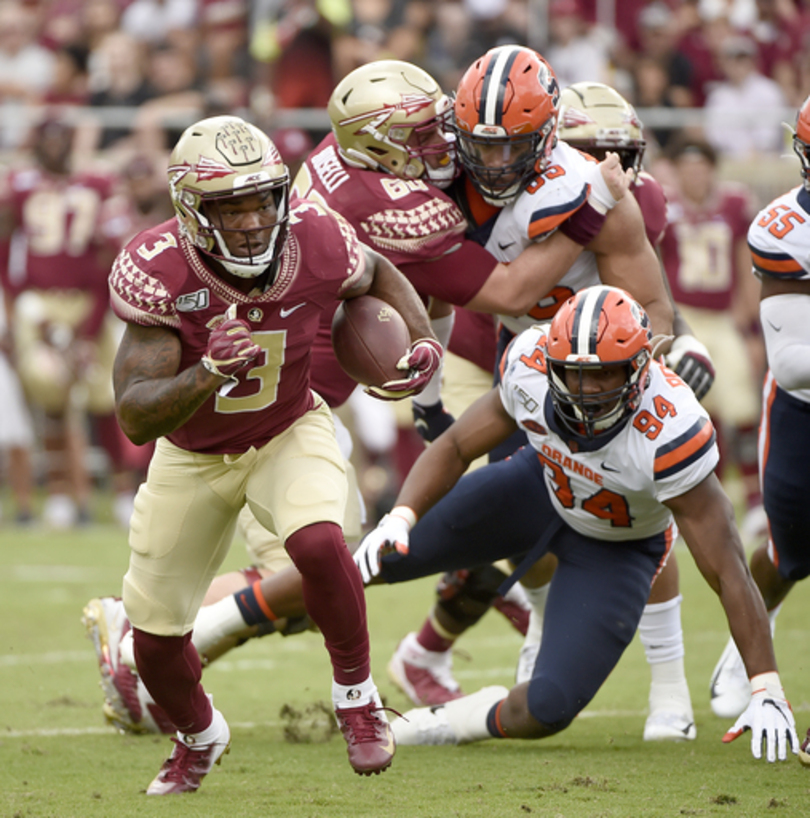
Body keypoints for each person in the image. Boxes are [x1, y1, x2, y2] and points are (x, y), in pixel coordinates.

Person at [83, 57, 632, 735]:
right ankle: (143, 643)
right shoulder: (387, 201)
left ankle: (165, 653)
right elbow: (507, 293)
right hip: (277, 402)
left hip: (293, 392)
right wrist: (592, 209)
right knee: (315, 575)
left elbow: (408, 286)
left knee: (322, 576)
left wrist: (425, 382)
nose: (441, 144)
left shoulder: (337, 159)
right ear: (381, 143)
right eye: (421, 133)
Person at [98, 113, 444, 793]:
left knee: (319, 543)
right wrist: (206, 374)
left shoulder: (314, 237)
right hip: (193, 455)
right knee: (155, 641)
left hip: (288, 428)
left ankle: (358, 700)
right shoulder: (160, 268)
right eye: (232, 205)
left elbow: (375, 272)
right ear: (195, 211)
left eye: (262, 199)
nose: (254, 220)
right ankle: (199, 736)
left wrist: (422, 338)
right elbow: (136, 416)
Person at [353, 284, 798, 765]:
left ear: (640, 367)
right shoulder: (531, 362)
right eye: (575, 374)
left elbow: (729, 570)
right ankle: (258, 609)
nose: (587, 391)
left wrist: (766, 686)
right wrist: (399, 516)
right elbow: (458, 446)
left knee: (547, 706)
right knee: (368, 557)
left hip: (616, 544)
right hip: (536, 488)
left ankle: (436, 723)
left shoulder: (672, 427)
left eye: (605, 375)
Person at [707, 94, 810, 768]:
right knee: (789, 551)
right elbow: (795, 364)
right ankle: (747, 640)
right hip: (806, 410)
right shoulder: (785, 228)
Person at [0, 114, 138, 529]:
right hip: (39, 304)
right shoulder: (21, 186)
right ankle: (59, 490)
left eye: (63, 137)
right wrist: (16, 308)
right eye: (49, 137)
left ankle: (122, 491)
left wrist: (89, 328)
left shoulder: (97, 186)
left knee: (107, 400)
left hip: (89, 301)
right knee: (51, 396)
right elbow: (6, 250)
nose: (56, 145)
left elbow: (108, 257)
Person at [658, 134, 765, 545]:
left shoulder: (733, 205)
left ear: (711, 170)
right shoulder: (666, 206)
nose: (694, 175)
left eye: (700, 167)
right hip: (686, 320)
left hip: (723, 319)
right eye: (687, 168)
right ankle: (700, 505)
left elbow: (744, 263)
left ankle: (754, 504)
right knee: (691, 412)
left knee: (741, 408)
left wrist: (749, 327)